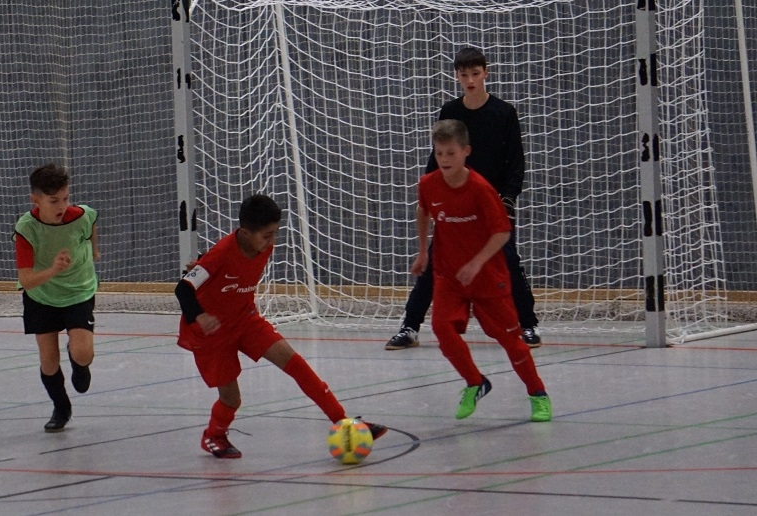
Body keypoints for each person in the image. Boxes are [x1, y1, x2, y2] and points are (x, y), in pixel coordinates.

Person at [175, 194, 387, 458]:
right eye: (266, 235)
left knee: (295, 364)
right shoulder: (220, 254)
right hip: (211, 333)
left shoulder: (262, 247)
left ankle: (343, 421)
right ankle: (213, 435)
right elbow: (183, 289)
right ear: (245, 232)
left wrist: (203, 260)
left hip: (245, 320)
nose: (272, 241)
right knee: (232, 399)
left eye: (275, 233)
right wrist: (200, 316)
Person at [386, 46, 542, 350]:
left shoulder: (504, 113)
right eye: (463, 74)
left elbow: (516, 162)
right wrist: (430, 190)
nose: (470, 80)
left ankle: (528, 325)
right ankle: (410, 327)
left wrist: (508, 198)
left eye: (475, 73)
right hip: (455, 203)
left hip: (491, 203)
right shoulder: (451, 111)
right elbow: (438, 155)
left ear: (485, 73)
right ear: (457, 76)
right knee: (436, 262)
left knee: (508, 261)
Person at [413, 119, 551, 422]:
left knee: (511, 342)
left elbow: (502, 232)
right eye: (439, 153)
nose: (444, 159)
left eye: (451, 153)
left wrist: (476, 263)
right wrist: (423, 251)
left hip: (487, 277)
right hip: (449, 275)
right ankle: (475, 382)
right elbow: (423, 211)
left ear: (466, 151)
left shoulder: (480, 189)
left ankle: (538, 393)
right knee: (441, 328)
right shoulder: (428, 184)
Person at [13, 163, 100, 432]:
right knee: (49, 361)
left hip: (78, 291)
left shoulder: (81, 216)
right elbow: (26, 280)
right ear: (35, 200)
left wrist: (95, 250)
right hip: (41, 296)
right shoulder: (26, 229)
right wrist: (53, 269)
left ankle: (79, 363)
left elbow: (92, 221)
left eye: (65, 198)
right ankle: (61, 407)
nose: (62, 206)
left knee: (83, 353)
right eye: (53, 201)